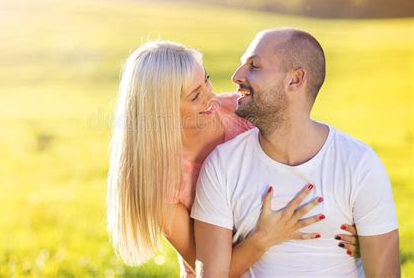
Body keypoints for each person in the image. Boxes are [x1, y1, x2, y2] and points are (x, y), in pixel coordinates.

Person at [107, 40, 360, 276]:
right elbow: (209, 269)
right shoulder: (162, 183)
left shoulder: (240, 111)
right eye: (195, 96)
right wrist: (265, 237)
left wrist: (351, 234)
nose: (211, 96)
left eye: (206, 80)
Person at [191, 28, 400, 277]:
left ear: (295, 80)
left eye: (254, 65)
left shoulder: (359, 164)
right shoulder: (222, 165)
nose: (236, 76)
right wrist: (261, 239)